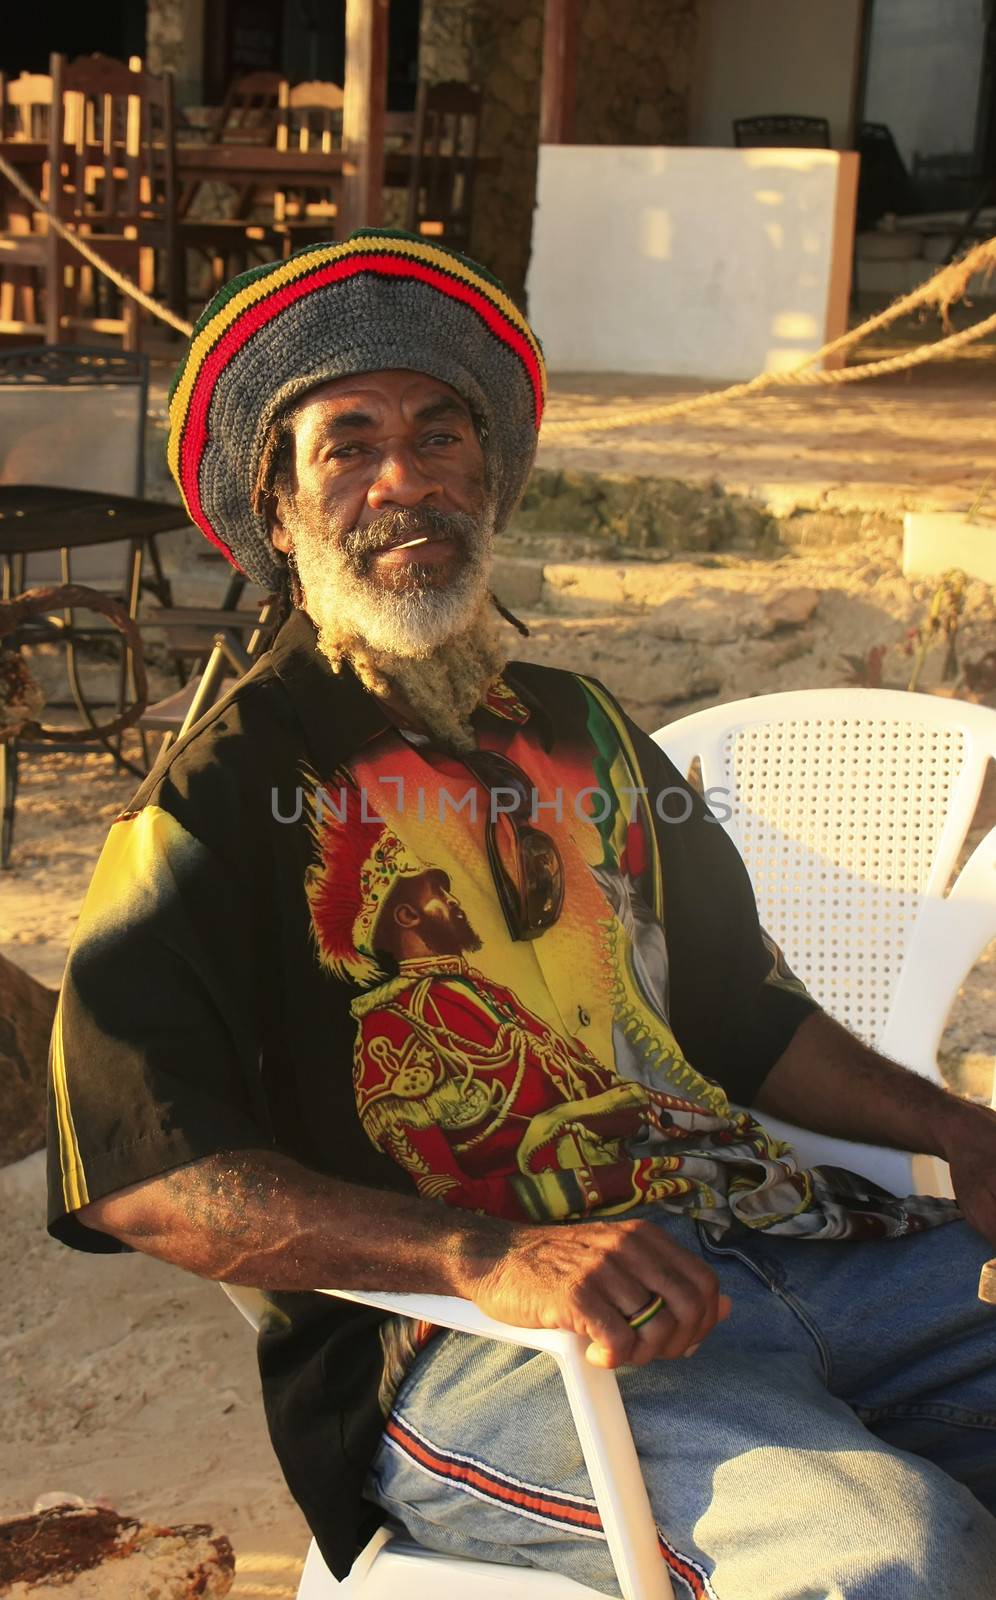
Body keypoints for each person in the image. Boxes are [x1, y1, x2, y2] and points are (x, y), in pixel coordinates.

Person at [48, 231, 996, 1599]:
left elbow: (746, 1019)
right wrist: (484, 1253)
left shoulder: (589, 732)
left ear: (490, 476)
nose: (404, 481)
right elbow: (142, 1165)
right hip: (472, 1349)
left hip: (781, 1246)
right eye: (349, 444)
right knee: (895, 1558)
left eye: (442, 437)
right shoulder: (226, 790)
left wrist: (957, 1128)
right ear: (280, 507)